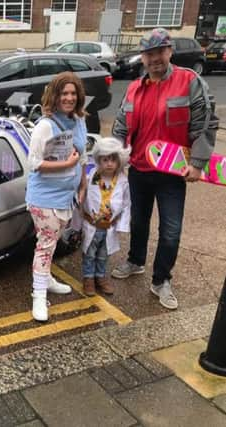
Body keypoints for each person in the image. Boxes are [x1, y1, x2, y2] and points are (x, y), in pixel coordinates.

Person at [111, 28, 218, 309]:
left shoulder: (189, 81)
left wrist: (198, 163)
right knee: (138, 221)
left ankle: (161, 280)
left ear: (170, 52)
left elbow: (205, 123)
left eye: (160, 51)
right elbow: (121, 125)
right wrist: (116, 158)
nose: (155, 58)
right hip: (139, 168)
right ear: (143, 57)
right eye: (149, 53)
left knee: (171, 229)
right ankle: (135, 261)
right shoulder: (135, 87)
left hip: (173, 173)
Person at [26, 72, 88, 321]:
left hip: (66, 197)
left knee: (49, 243)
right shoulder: (45, 125)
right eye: (64, 93)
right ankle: (39, 297)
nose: (69, 98)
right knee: (45, 246)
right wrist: (65, 166)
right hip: (45, 199)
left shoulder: (80, 120)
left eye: (73, 93)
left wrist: (82, 183)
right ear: (55, 95)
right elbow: (33, 163)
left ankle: (47, 279)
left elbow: (81, 155)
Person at [72, 137, 131, 296]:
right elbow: (81, 202)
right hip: (91, 225)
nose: (109, 164)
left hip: (108, 227)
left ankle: (100, 278)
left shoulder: (123, 181)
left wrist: (122, 226)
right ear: (98, 160)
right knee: (89, 254)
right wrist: (76, 226)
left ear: (119, 161)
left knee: (104, 255)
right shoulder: (92, 177)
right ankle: (88, 279)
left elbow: (126, 204)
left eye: (113, 160)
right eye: (105, 160)